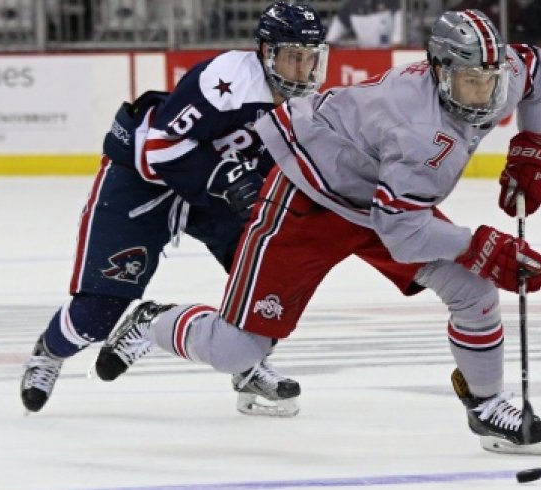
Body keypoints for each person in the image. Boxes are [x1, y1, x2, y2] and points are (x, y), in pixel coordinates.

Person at [95, 9, 541, 455]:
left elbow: (539, 68)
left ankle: (485, 404)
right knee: (235, 349)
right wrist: (480, 245)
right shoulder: (417, 129)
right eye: (468, 82)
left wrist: (534, 147)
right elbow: (401, 235)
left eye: (488, 81)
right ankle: (151, 321)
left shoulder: (500, 77)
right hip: (308, 195)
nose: (482, 95)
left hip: (385, 196)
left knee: (473, 288)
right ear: (440, 71)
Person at [19, 2, 330, 418]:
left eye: (310, 58)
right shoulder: (228, 79)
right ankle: (49, 352)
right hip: (144, 179)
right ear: (266, 51)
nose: (302, 70)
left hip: (213, 190)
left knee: (273, 277)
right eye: (293, 56)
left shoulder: (308, 105)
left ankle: (245, 363)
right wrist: (225, 178)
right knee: (94, 316)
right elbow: (158, 150)